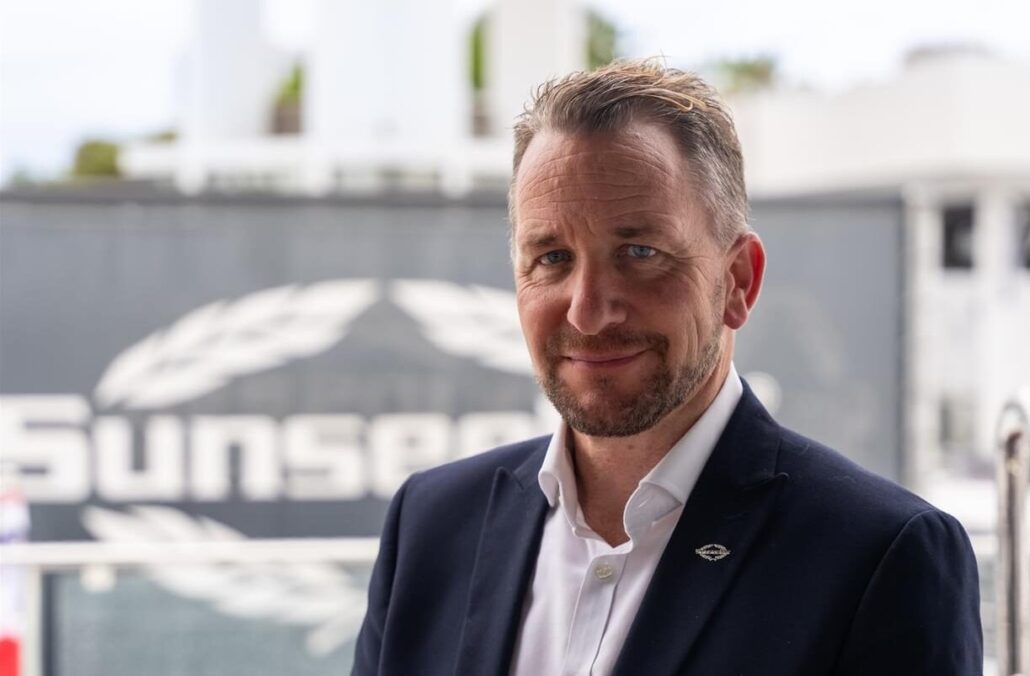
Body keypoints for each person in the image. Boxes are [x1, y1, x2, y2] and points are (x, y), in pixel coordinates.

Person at [352, 59, 982, 676]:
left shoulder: (879, 556)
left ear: (738, 281)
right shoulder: (431, 524)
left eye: (639, 252)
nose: (587, 312)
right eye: (552, 258)